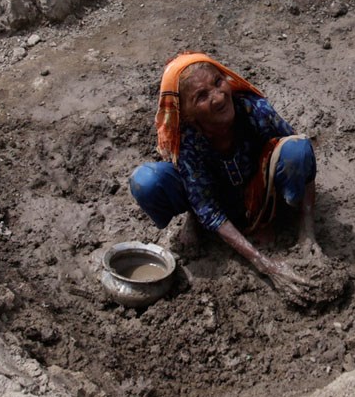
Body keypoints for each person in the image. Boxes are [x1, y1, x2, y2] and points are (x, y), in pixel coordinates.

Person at [129, 52, 319, 296]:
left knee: (297, 150)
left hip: (259, 189)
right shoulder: (188, 139)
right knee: (147, 181)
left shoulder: (252, 109)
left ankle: (267, 219)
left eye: (218, 82)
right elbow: (207, 205)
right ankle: (195, 218)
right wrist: (264, 264)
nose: (219, 97)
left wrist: (308, 233)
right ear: (187, 114)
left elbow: (304, 157)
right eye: (201, 96)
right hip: (215, 193)